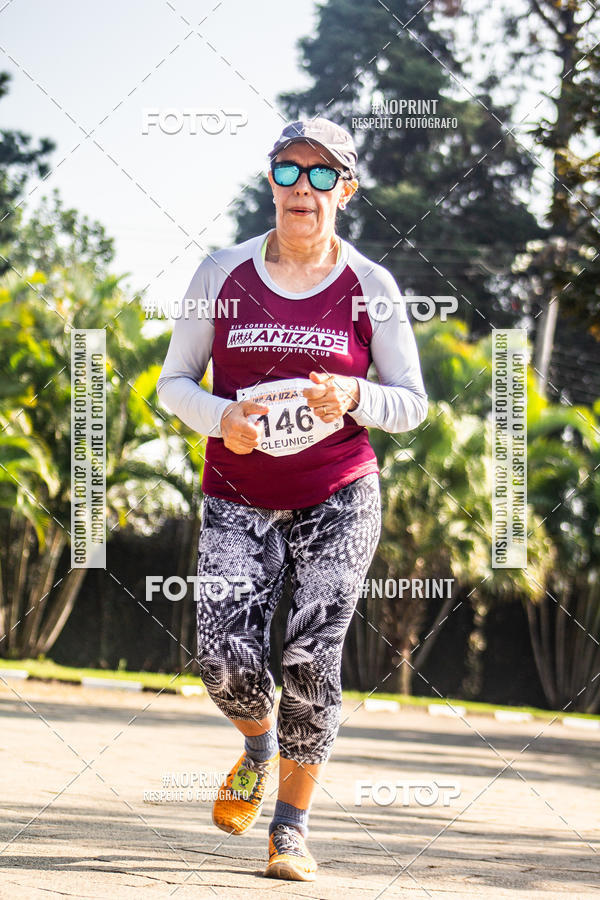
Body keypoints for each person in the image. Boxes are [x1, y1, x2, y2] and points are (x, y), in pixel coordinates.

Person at [156, 116, 428, 882]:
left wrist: (353, 394)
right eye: (286, 171)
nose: (300, 189)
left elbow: (411, 402)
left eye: (319, 175)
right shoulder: (222, 273)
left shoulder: (371, 286)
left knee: (312, 661)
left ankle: (291, 829)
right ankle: (257, 746)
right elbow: (173, 382)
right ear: (270, 182)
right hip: (239, 491)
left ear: (344, 189)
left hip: (338, 493)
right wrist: (222, 418)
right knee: (221, 659)